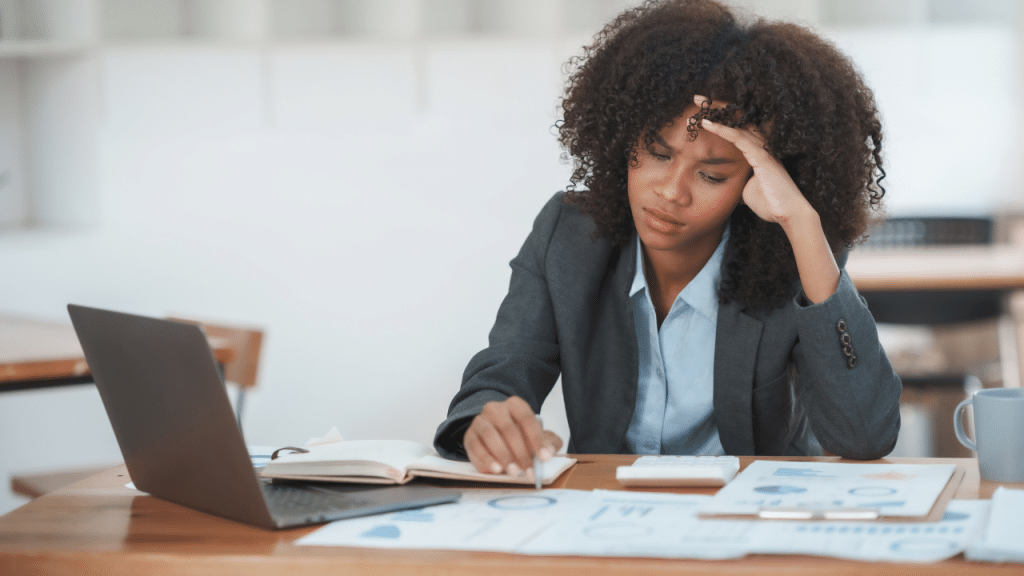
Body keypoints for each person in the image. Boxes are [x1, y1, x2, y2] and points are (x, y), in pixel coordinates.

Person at [434, 0, 901, 478]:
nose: (671, 192)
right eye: (657, 152)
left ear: (757, 181)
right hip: (605, 517)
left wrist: (803, 223)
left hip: (746, 525)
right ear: (623, 137)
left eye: (713, 175)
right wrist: (483, 420)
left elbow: (866, 435)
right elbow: (501, 373)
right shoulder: (569, 236)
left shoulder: (793, 252)